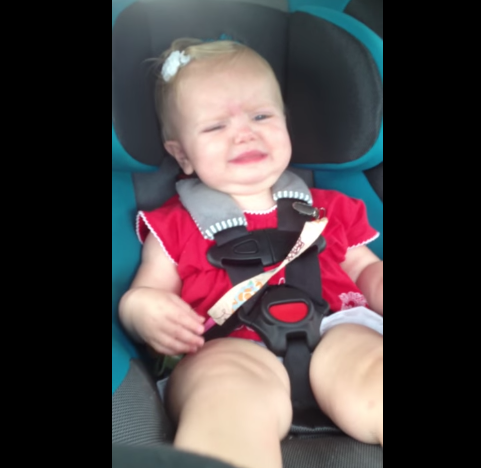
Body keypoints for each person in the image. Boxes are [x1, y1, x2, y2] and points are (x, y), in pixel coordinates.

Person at [118, 39, 383, 468]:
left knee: (374, 368)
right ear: (182, 154)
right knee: (224, 395)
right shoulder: (173, 226)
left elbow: (366, 270)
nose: (245, 133)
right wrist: (144, 310)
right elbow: (146, 292)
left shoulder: (330, 209)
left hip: (338, 333)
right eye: (215, 127)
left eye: (261, 116)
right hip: (228, 347)